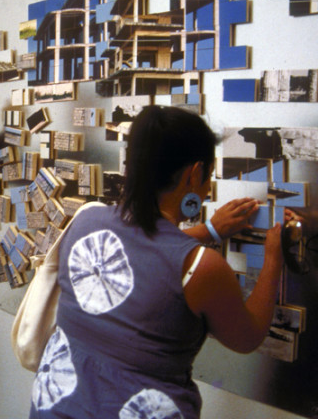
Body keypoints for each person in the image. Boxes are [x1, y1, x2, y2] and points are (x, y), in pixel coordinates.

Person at [29, 105, 283, 418]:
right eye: (208, 175)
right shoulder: (203, 266)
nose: (208, 187)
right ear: (194, 174)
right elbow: (248, 336)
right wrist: (273, 256)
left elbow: (145, 250)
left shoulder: (85, 220)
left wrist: (212, 230)